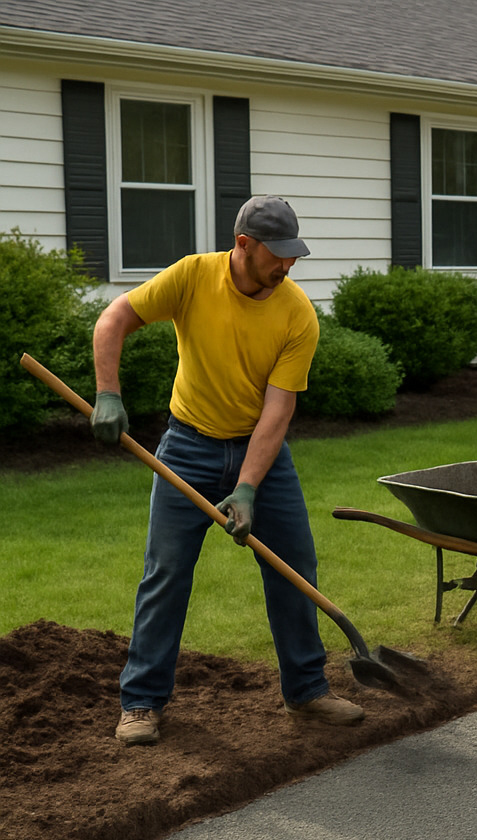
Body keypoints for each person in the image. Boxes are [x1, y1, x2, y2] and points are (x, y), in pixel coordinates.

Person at [92, 195, 364, 746]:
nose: (287, 267)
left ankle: (308, 690)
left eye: (294, 256)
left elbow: (278, 409)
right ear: (244, 245)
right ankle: (142, 702)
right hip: (186, 446)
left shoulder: (297, 313)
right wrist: (107, 393)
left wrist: (247, 486)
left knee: (293, 565)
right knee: (166, 574)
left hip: (258, 451)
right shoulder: (193, 276)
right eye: (277, 256)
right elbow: (115, 316)